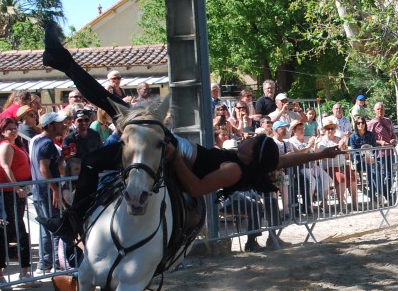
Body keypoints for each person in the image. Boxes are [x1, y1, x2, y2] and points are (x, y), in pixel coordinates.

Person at [38, 22, 344, 242]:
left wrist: (173, 157)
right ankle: (62, 60)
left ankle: (73, 222)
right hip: (174, 146)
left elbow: (197, 189)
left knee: (95, 151)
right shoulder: (247, 160)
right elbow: (281, 161)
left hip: (172, 151)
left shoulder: (231, 169)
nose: (249, 140)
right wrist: (320, 152)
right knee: (113, 103)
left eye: (254, 144)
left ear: (253, 156)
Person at [0, 117, 33, 284]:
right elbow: (5, 166)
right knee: (11, 231)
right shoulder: (6, 146)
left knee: (19, 231)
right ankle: (3, 274)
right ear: (3, 132)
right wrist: (16, 186)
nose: (13, 130)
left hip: (16, 193)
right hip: (8, 194)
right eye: (9, 128)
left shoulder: (16, 145)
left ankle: (24, 272)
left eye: (15, 127)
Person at [31, 111, 68, 273]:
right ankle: (53, 263)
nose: (63, 125)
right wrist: (55, 190)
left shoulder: (41, 141)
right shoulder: (46, 143)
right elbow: (43, 169)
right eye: (59, 123)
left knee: (46, 228)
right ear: (50, 126)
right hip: (46, 192)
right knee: (54, 227)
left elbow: (50, 167)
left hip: (41, 191)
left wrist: (62, 159)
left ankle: (46, 263)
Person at [317, 119, 356, 211]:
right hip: (329, 166)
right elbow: (325, 157)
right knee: (341, 178)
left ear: (335, 130)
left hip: (342, 164)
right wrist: (339, 148)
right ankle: (341, 203)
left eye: (332, 128)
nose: (330, 130)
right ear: (325, 130)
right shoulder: (322, 142)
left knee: (353, 178)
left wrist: (344, 148)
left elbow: (346, 156)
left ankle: (355, 203)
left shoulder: (339, 140)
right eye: (328, 129)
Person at [367, 102, 398, 202]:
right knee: (382, 174)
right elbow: (369, 139)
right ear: (374, 111)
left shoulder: (388, 121)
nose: (380, 111)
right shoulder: (371, 124)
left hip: (389, 151)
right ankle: (384, 194)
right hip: (379, 153)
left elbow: (392, 133)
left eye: (382, 109)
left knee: (389, 174)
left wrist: (394, 140)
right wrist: (380, 142)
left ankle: (387, 193)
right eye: (378, 109)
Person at [349, 116, 381, 203]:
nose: (361, 124)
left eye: (362, 123)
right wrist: (363, 158)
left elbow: (375, 148)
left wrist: (374, 157)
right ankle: (375, 195)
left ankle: (376, 194)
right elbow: (353, 152)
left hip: (371, 159)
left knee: (376, 171)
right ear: (355, 124)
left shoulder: (370, 135)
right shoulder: (352, 137)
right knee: (371, 170)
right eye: (358, 123)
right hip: (360, 161)